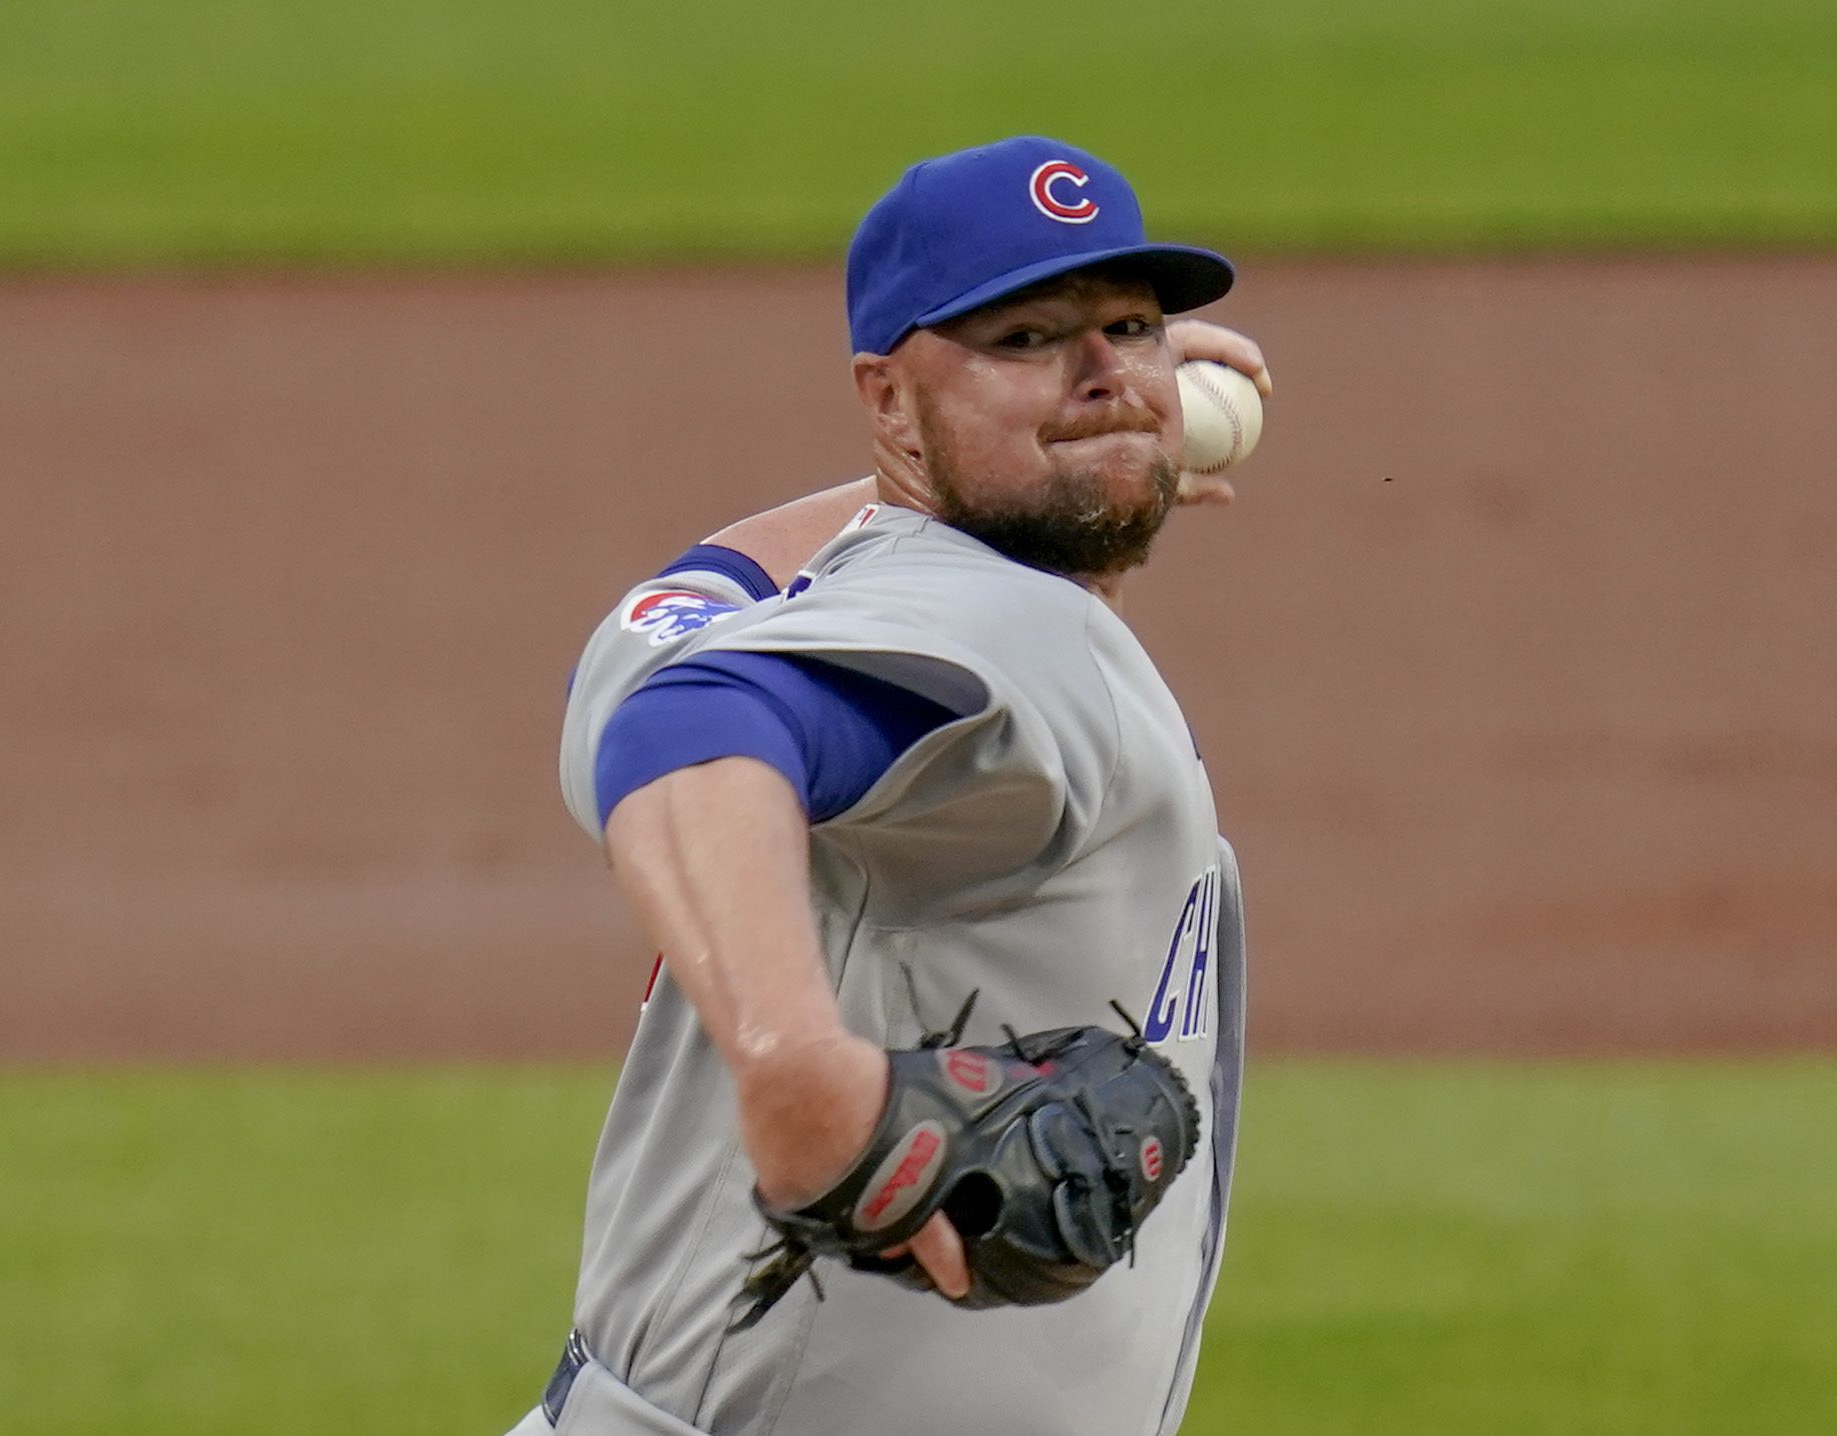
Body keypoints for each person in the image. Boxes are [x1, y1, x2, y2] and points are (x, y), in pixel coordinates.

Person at [509, 135, 1271, 1436]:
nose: (1101, 371)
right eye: (1025, 339)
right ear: (887, 396)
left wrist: (1059, 435)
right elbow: (690, 731)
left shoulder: (788, 607)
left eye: (1131, 329)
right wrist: (795, 1065)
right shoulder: (1019, 637)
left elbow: (668, 647)